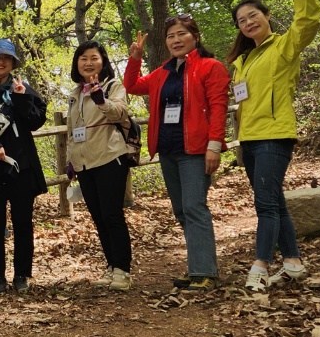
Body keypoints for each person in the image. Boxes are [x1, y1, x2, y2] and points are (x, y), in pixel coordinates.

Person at [226, 0, 320, 290]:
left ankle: (260, 266)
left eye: (253, 16)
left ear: (267, 16)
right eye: (241, 21)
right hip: (250, 140)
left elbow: (308, 21)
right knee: (274, 201)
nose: (248, 23)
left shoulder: (284, 46)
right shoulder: (243, 61)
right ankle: (293, 262)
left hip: (275, 135)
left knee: (264, 204)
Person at [125, 16, 230, 290]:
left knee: (195, 207)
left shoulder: (211, 67)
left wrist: (214, 146)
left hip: (196, 149)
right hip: (168, 149)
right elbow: (133, 86)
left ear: (195, 37)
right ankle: (197, 267)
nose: (175, 40)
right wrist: (135, 58)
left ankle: (205, 272)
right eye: (171, 35)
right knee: (182, 210)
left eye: (181, 34)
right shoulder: (163, 72)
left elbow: (218, 109)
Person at [0, 39, 48, 293]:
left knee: (23, 222)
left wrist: (22, 98)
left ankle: (22, 275)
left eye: (6, 58)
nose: (0, 62)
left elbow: (36, 121)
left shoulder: (23, 87)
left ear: (13, 62)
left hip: (21, 167)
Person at [66, 41, 135, 290]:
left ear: (103, 61)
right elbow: (72, 131)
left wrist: (101, 99)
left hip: (109, 157)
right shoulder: (75, 94)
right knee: (98, 217)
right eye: (83, 58)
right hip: (84, 163)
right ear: (77, 64)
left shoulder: (113, 86)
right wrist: (70, 162)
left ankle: (123, 270)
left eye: (93, 57)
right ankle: (111, 265)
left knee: (112, 214)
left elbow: (120, 113)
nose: (88, 63)